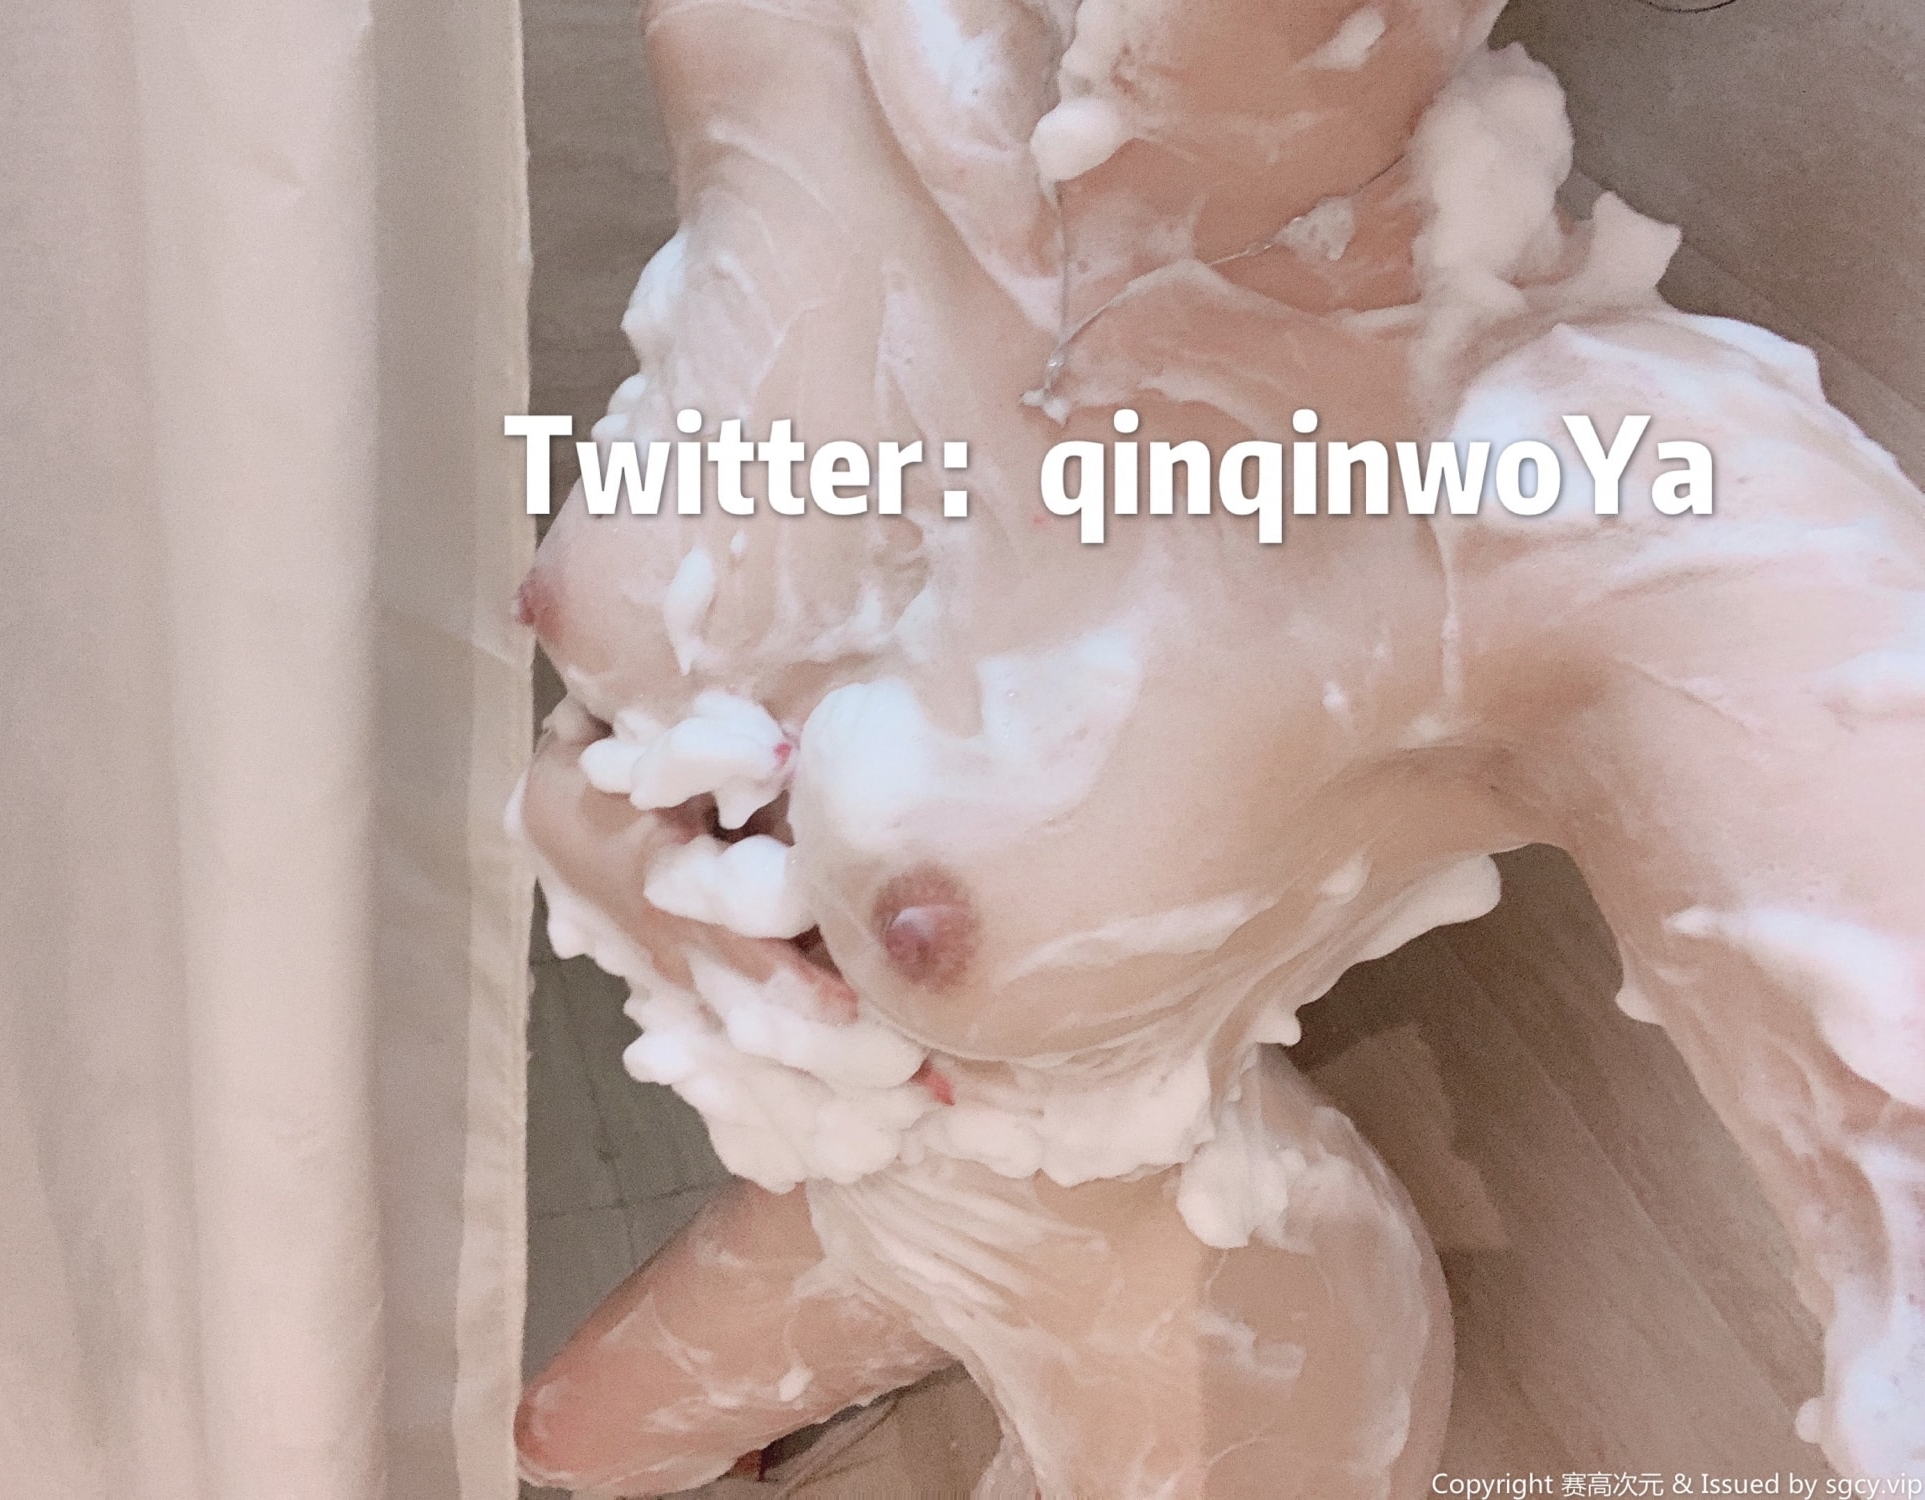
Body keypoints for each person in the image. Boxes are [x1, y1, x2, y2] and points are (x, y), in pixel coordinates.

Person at [511, 0, 1925, 1491]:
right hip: (833, 1188)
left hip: (1186, 1304)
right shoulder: (775, 42)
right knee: (557, 1449)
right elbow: (638, 695)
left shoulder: (1604, 493)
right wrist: (592, 830)